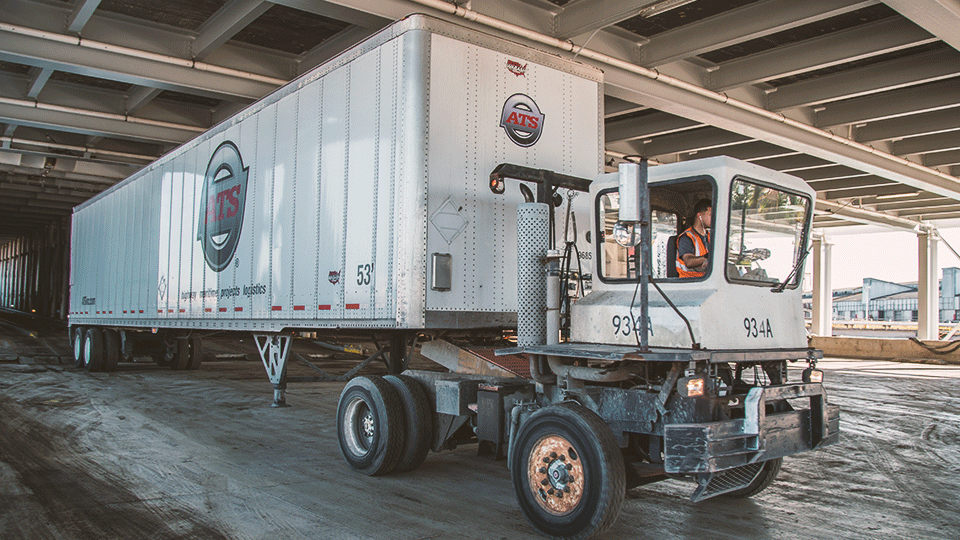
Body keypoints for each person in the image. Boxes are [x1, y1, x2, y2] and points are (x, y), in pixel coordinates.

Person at [676, 198, 712, 278]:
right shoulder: (686, 238)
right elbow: (689, 262)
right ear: (700, 216)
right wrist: (709, 257)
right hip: (689, 283)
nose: (714, 218)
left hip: (706, 280)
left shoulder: (710, 236)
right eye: (710, 215)